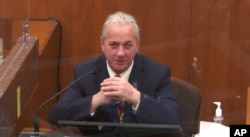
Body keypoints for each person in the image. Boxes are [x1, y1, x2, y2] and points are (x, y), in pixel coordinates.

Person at [48, 11, 181, 127]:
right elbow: (56, 116)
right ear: (102, 44)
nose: (121, 53)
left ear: (137, 46)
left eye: (128, 45)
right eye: (114, 45)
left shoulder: (157, 73)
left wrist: (135, 97)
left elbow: (174, 120)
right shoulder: (85, 73)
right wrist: (96, 100)